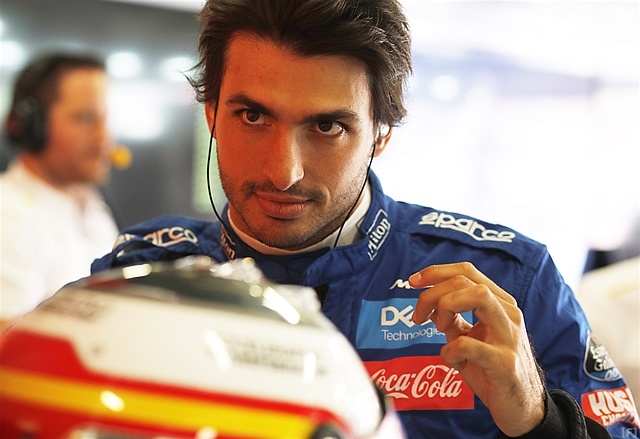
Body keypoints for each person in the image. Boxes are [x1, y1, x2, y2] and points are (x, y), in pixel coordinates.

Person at [91, 1, 639, 438]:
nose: (284, 171)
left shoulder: (510, 279)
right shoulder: (139, 274)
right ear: (211, 113)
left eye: (327, 127)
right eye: (253, 115)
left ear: (381, 133)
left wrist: (539, 419)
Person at [1, 53, 119, 332]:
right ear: (34, 126)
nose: (104, 137)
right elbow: (8, 341)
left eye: (105, 119)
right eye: (86, 118)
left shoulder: (91, 204)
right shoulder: (7, 214)